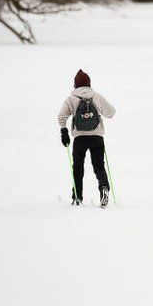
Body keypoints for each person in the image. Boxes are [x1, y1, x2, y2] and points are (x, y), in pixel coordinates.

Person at [57, 69, 116, 207]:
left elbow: (61, 116)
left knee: (78, 167)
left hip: (79, 139)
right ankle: (103, 188)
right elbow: (111, 112)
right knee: (99, 166)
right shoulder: (96, 96)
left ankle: (77, 197)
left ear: (75, 85)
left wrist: (64, 131)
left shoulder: (71, 98)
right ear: (89, 83)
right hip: (97, 137)